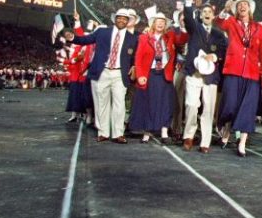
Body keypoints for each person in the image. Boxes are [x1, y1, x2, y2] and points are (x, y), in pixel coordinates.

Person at [64, 8, 138, 144]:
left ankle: (118, 134)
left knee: (119, 104)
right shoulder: (102, 32)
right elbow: (86, 40)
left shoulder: (132, 37)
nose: (121, 20)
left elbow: (135, 56)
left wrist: (133, 66)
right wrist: (73, 38)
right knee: (101, 103)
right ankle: (103, 132)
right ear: (114, 18)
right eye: (119, 17)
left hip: (119, 73)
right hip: (102, 71)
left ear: (128, 22)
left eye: (124, 18)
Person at [216, 0, 262, 157]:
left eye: (245, 4)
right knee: (230, 105)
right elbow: (219, 22)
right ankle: (226, 129)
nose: (242, 6)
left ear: (250, 8)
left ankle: (242, 143)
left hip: (252, 72)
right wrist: (225, 10)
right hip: (233, 69)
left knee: (247, 108)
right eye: (239, 5)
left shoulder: (259, 28)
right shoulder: (231, 23)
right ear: (236, 9)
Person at [182, 0, 228, 152]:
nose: (207, 14)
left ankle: (205, 142)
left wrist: (214, 57)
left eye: (209, 12)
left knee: (208, 108)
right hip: (194, 74)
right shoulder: (194, 29)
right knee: (191, 105)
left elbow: (223, 51)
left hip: (211, 76)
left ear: (213, 16)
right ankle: (188, 136)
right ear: (200, 16)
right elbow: (187, 17)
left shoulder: (219, 34)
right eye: (204, 12)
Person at [130, 12, 188, 143]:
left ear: (166, 24)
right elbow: (138, 58)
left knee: (165, 103)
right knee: (149, 103)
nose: (161, 23)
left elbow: (182, 40)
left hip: (164, 74)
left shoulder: (170, 36)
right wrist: (140, 75)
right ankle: (147, 131)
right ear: (153, 23)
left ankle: (164, 131)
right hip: (149, 74)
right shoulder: (144, 38)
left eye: (163, 21)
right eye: (158, 21)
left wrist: (184, 27)